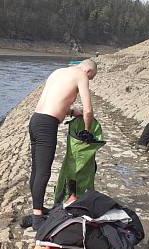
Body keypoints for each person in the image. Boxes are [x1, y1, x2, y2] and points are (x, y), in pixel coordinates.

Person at [28, 59, 98, 230]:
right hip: (47, 125)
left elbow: (54, 101)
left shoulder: (59, 72)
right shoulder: (81, 75)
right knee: (43, 172)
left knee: (36, 170)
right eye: (92, 78)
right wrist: (87, 131)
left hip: (36, 120)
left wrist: (72, 111)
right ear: (89, 71)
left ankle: (37, 209)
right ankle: (37, 218)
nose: (89, 80)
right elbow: (89, 110)